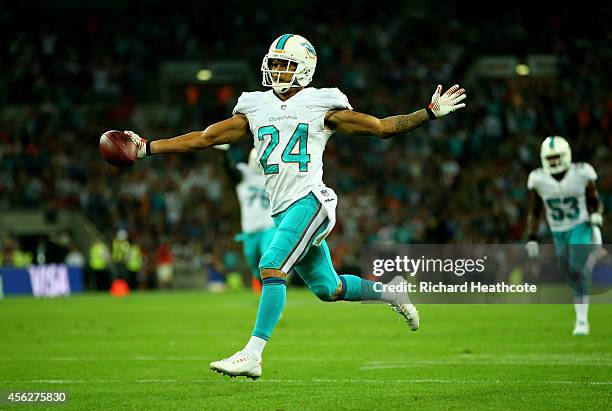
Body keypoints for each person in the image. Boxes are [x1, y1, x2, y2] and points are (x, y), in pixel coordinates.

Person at [123, 34, 467, 378]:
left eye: (283, 64)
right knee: (328, 290)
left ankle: (253, 354)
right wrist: (148, 148)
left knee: (271, 266)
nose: (275, 70)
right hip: (283, 210)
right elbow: (205, 138)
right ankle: (390, 292)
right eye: (272, 63)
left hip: (311, 202)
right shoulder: (255, 106)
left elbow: (381, 128)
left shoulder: (322, 104)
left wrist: (429, 113)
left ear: (305, 68)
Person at [525, 136, 604, 336]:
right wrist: (532, 236)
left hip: (580, 226)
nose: (553, 163)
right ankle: (593, 256)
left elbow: (594, 199)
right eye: (549, 159)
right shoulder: (539, 179)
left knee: (578, 269)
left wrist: (595, 214)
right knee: (566, 269)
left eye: (556, 158)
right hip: (558, 230)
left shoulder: (581, 173)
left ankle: (582, 321)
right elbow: (534, 210)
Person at [216, 145, 276, 292]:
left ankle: (274, 290)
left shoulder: (274, 175)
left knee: (267, 257)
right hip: (250, 230)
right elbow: (229, 170)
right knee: (253, 262)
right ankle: (265, 291)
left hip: (270, 226)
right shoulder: (244, 173)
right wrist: (224, 154)